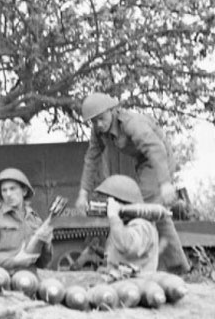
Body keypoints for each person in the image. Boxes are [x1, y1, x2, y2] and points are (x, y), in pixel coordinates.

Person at [75, 92, 190, 273]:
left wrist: (165, 183)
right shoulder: (99, 131)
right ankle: (146, 262)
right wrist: (83, 193)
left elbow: (156, 149)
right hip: (143, 163)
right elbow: (91, 159)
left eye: (101, 119)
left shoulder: (131, 123)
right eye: (93, 121)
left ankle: (175, 266)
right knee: (140, 208)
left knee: (147, 208)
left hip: (158, 159)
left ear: (112, 111)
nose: (98, 124)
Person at [0, 168, 53, 272]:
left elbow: (42, 264)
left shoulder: (35, 220)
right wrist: (14, 261)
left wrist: (46, 245)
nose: (8, 194)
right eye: (4, 190)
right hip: (0, 276)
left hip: (29, 278)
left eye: (12, 189)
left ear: (24, 191)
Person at [95, 175, 159, 273]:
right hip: (121, 283)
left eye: (109, 202)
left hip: (137, 285)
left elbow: (126, 245)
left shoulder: (143, 226)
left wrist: (113, 216)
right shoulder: (122, 226)